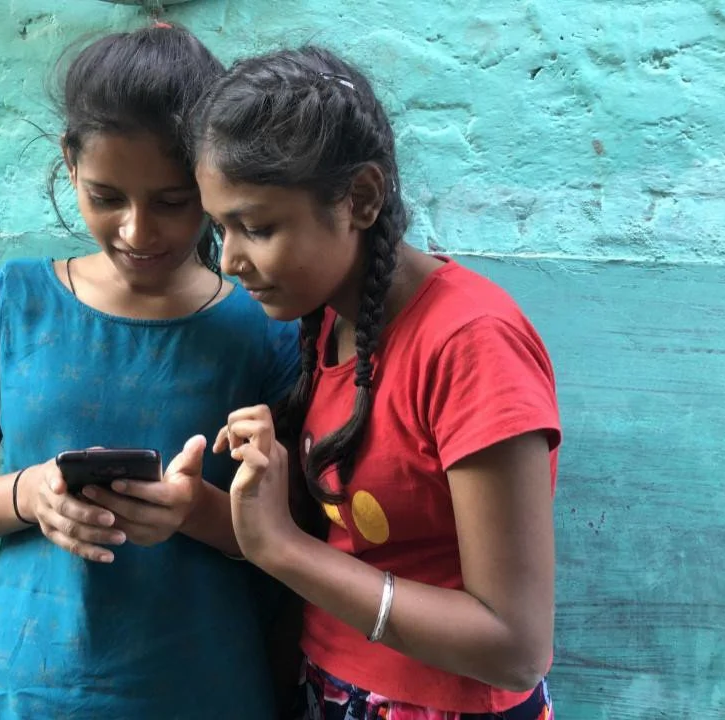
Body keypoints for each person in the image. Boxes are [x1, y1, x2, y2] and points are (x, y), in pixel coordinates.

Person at [0, 25, 301, 719]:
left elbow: (300, 542)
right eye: (106, 196)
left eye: (173, 202)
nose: (137, 231)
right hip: (29, 690)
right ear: (69, 163)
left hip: (203, 691)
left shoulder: (261, 328)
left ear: (211, 178)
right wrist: (30, 493)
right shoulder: (17, 301)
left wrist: (197, 512)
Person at [194, 46, 561, 720]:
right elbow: (344, 544)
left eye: (257, 226)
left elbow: (515, 647)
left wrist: (284, 550)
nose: (232, 260)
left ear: (360, 197)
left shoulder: (470, 344)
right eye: (219, 228)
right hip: (330, 686)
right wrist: (202, 510)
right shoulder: (324, 322)